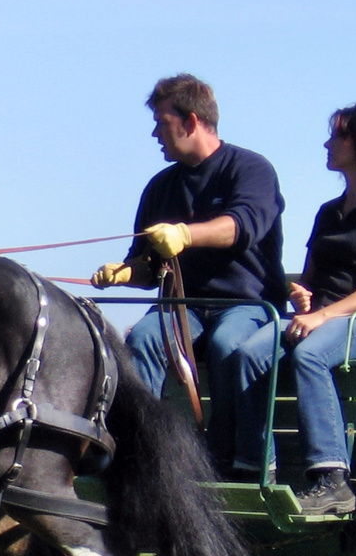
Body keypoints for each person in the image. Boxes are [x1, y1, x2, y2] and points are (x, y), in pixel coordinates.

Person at [93, 74, 287, 472]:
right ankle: (131, 454)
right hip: (184, 307)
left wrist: (185, 234)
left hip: (246, 304)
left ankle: (245, 460)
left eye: (162, 122)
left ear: (192, 121)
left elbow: (242, 226)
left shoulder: (250, 169)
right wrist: (124, 273)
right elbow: (147, 265)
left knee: (229, 345)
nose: (154, 133)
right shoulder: (160, 187)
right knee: (144, 338)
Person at [233, 105, 356, 514]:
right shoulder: (329, 211)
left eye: (337, 136)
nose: (327, 144)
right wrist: (301, 295)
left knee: (310, 355)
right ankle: (258, 469)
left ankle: (332, 480)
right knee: (248, 354)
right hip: (322, 317)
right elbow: (311, 279)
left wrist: (323, 316)